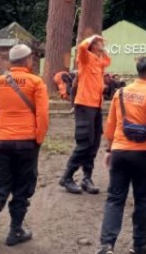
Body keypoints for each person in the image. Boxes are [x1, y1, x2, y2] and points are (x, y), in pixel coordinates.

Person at [0, 44, 49, 254]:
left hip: (2, 142)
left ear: (11, 62)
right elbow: (42, 115)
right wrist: (38, 138)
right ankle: (15, 231)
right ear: (27, 61)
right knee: (22, 187)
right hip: (27, 142)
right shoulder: (36, 82)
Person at [97, 57, 146, 254]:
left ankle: (107, 245)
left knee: (114, 199)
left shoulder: (120, 93)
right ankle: (140, 244)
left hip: (119, 151)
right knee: (142, 199)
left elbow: (110, 124)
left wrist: (109, 149)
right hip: (143, 154)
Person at [61, 35, 112, 195]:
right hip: (84, 104)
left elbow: (107, 60)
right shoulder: (85, 58)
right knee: (85, 142)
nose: (102, 44)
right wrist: (93, 38)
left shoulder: (98, 61)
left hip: (96, 105)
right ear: (92, 45)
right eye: (99, 42)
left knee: (94, 142)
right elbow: (82, 47)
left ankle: (86, 178)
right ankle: (67, 177)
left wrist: (102, 49)